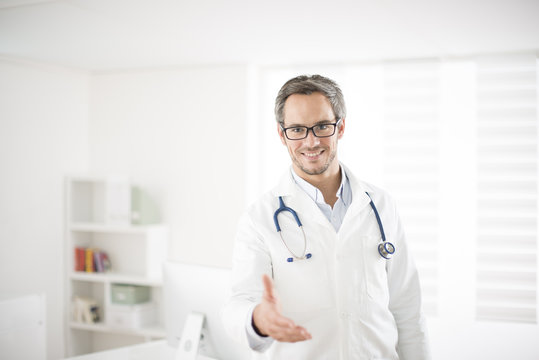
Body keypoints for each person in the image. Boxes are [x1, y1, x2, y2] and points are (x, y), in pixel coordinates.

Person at [222, 74, 430, 359]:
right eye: (297, 129)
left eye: (322, 126)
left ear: (340, 127)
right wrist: (259, 318)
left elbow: (407, 309)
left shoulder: (381, 205)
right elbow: (239, 303)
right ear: (282, 135)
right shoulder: (259, 218)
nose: (311, 141)